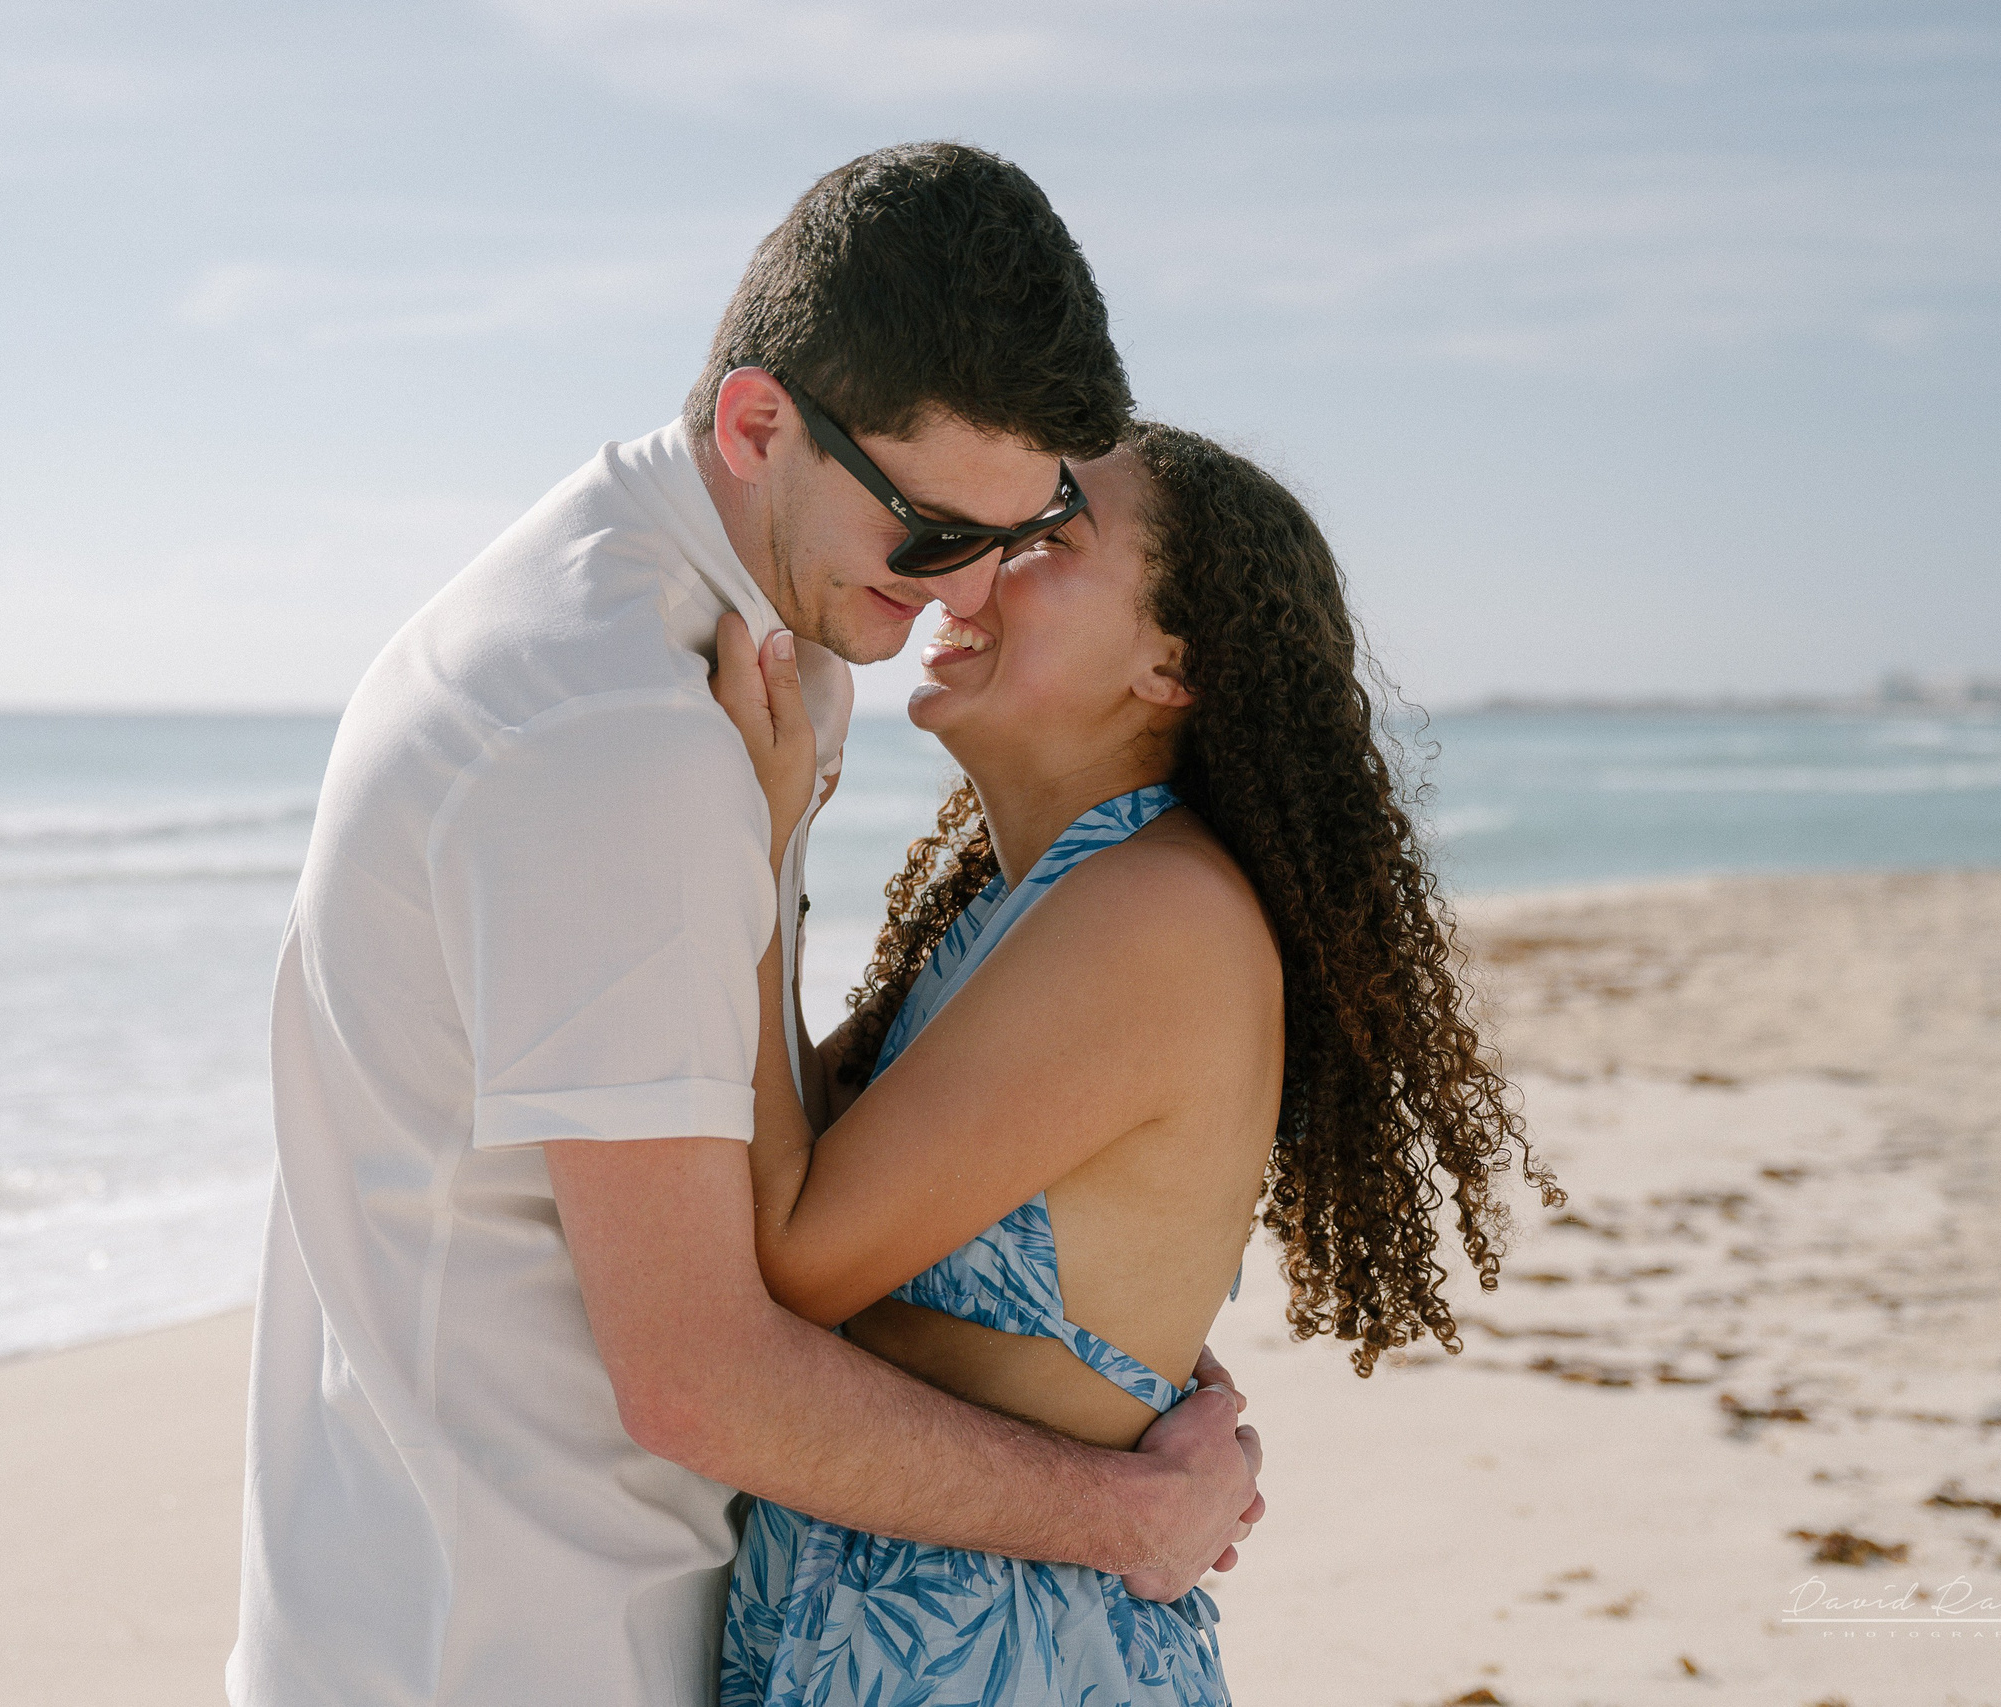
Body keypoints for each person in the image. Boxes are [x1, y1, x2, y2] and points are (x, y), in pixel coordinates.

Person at [227, 144, 1263, 1707]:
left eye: (1026, 527)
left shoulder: (743, 631)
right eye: (932, 533)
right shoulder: (614, 730)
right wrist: (1135, 1509)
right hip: (511, 1643)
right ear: (758, 422)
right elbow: (703, 1370)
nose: (967, 588)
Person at [706, 421, 1568, 1704]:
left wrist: (760, 858)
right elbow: (781, 1159)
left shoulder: (1150, 914)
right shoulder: (1037, 901)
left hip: (993, 1653)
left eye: (1047, 537)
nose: (972, 565)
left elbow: (787, 1249)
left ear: (1173, 663)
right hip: (912, 1629)